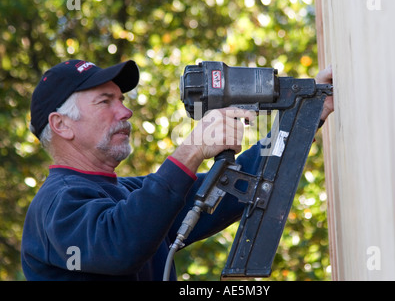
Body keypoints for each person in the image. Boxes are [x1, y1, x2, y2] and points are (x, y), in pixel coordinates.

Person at [21, 59, 333, 281]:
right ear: (61, 125)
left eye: (122, 99)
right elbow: (121, 244)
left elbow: (235, 190)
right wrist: (193, 148)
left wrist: (308, 112)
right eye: (106, 102)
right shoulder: (55, 205)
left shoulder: (128, 194)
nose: (125, 111)